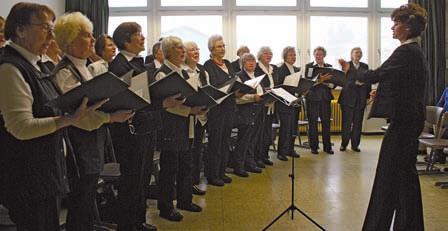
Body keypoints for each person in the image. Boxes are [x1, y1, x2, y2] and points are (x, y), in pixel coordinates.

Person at [0, 3, 111, 230]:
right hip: (29, 174)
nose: (52, 36)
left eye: (52, 29)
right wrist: (70, 119)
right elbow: (20, 127)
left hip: (46, 169)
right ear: (20, 30)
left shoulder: (37, 65)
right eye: (44, 28)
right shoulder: (10, 68)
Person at [339, 3, 428, 230]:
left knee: (390, 174)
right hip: (409, 120)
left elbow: (378, 73)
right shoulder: (413, 52)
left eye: (396, 24)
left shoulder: (407, 51)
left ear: (407, 27)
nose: (392, 29)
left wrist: (351, 72)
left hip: (405, 123)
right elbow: (397, 80)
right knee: (404, 175)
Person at [52, 12, 135, 231]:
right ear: (69, 41)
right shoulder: (64, 72)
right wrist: (111, 117)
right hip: (79, 144)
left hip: (93, 140)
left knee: (87, 198)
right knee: (81, 200)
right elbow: (78, 117)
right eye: (86, 36)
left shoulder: (84, 67)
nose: (92, 40)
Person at [108, 22, 181, 231]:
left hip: (146, 126)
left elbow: (148, 93)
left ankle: (138, 221)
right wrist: (162, 103)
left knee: (142, 177)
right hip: (130, 130)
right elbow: (132, 99)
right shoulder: (120, 65)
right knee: (132, 179)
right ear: (125, 40)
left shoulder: (138, 63)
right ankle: (127, 224)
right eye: (138, 34)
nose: (143, 37)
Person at [154, 36, 205, 222]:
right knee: (169, 167)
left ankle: (185, 200)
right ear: (167, 52)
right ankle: (166, 207)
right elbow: (167, 104)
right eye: (178, 47)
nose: (183, 50)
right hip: (170, 126)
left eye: (183, 47)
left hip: (186, 124)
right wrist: (190, 109)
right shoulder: (162, 73)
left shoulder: (183, 72)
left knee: (186, 164)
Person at [203, 35, 236, 186]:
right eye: (219, 47)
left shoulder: (228, 63)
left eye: (223, 46)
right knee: (215, 142)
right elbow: (214, 86)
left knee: (225, 140)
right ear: (211, 49)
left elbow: (234, 80)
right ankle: (213, 174)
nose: (222, 49)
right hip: (217, 109)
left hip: (229, 107)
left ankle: (222, 171)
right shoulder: (208, 65)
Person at [233, 53, 264, 177]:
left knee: (252, 140)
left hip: (257, 111)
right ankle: (239, 166)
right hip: (243, 112)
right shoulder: (239, 76)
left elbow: (260, 92)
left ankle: (250, 163)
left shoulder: (257, 76)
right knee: (243, 140)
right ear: (242, 63)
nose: (251, 63)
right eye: (248, 61)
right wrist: (253, 98)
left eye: (253, 61)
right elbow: (237, 97)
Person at [183, 41, 208, 196]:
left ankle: (195, 181)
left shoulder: (202, 71)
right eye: (192, 50)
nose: (196, 52)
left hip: (202, 117)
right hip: (188, 116)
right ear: (185, 54)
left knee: (198, 149)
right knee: (189, 152)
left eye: (197, 49)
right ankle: (187, 184)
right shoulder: (183, 72)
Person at [338, 47, 371, 152]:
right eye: (357, 52)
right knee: (346, 123)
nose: (359, 54)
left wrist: (368, 97)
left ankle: (355, 145)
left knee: (358, 123)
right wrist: (355, 83)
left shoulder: (365, 66)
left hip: (360, 99)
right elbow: (342, 81)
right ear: (351, 54)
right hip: (347, 99)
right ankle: (344, 144)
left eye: (360, 52)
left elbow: (368, 82)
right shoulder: (346, 65)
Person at [304, 46, 335, 155]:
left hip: (325, 99)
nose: (318, 56)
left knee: (326, 123)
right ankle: (314, 147)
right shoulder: (309, 67)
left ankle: (327, 147)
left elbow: (333, 84)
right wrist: (319, 80)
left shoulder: (329, 67)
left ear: (324, 55)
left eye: (320, 54)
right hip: (312, 98)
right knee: (312, 123)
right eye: (316, 54)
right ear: (314, 55)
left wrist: (326, 83)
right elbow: (307, 84)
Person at [276, 46, 301, 160]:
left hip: (295, 102)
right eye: (291, 55)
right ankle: (281, 151)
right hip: (284, 103)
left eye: (294, 55)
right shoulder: (280, 70)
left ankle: (290, 149)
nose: (293, 57)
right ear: (285, 56)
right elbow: (280, 86)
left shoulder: (297, 69)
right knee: (285, 128)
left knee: (293, 128)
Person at [254, 46, 277, 168]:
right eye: (266, 53)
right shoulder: (257, 68)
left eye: (270, 53)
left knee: (268, 132)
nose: (269, 55)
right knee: (260, 133)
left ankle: (265, 155)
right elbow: (257, 84)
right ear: (260, 55)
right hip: (261, 105)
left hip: (272, 104)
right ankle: (257, 158)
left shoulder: (273, 68)